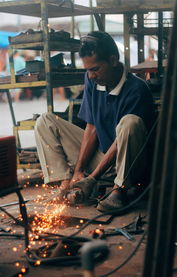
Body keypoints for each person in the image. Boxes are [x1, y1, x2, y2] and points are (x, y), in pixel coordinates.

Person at [34, 31, 155, 212]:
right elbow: (91, 128)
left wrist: (92, 178)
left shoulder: (137, 89)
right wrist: (78, 171)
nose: (90, 76)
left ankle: (118, 191)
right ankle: (67, 184)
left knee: (130, 122)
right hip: (103, 158)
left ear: (113, 61)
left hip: (130, 165)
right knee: (45, 121)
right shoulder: (93, 81)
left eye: (95, 69)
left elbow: (119, 143)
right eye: (87, 70)